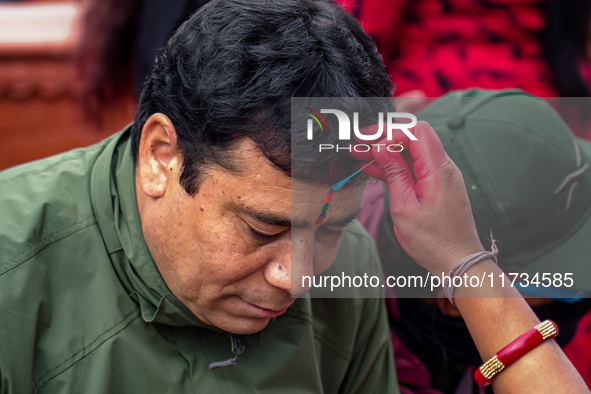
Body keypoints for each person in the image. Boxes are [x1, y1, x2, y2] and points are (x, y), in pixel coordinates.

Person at [0, 1, 588, 394]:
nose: (297, 275)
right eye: (261, 228)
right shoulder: (14, 273)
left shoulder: (351, 274)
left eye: (328, 232)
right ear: (160, 158)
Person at [355, 89, 591, 393]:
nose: (582, 294)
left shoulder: (372, 188)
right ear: (454, 302)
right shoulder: (344, 371)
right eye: (569, 287)